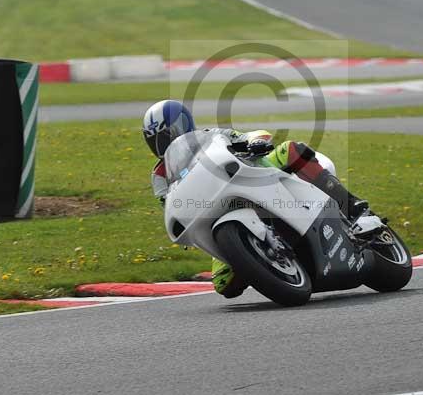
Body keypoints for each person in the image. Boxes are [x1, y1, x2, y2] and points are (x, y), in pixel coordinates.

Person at [143, 100, 371, 298]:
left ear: (183, 124)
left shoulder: (210, 136)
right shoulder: (160, 175)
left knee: (291, 149)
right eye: (155, 140)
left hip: (255, 174)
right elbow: (169, 203)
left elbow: (248, 135)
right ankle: (265, 263)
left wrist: (256, 142)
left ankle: (351, 207)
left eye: (166, 135)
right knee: (224, 285)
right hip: (215, 209)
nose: (162, 144)